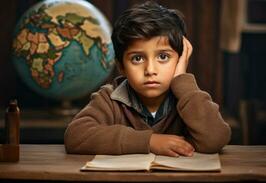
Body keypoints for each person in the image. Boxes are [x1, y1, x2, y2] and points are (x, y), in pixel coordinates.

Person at [64, 1, 231, 157]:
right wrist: (149, 141)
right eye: (137, 58)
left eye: (163, 57)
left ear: (180, 60)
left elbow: (216, 139)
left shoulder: (189, 98)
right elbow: (75, 136)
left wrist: (181, 78)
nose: (150, 70)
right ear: (121, 66)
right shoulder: (110, 98)